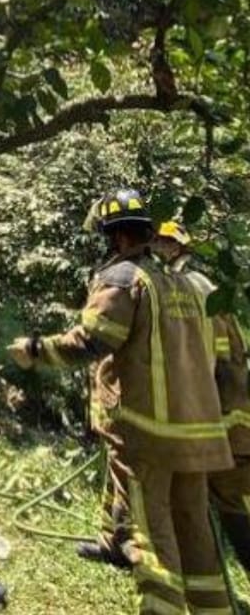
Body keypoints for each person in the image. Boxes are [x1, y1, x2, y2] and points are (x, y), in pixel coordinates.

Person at [8, 190, 234, 615]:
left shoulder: (125, 278)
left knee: (151, 531)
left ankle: (159, 607)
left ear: (117, 239)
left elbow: (92, 341)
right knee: (194, 530)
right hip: (196, 433)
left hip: (148, 432)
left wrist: (35, 350)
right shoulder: (180, 282)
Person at [154, 221, 250, 573]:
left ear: (179, 248)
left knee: (229, 500)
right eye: (156, 242)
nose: (159, 250)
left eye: (165, 243)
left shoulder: (193, 287)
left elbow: (204, 361)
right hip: (222, 417)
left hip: (225, 420)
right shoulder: (198, 286)